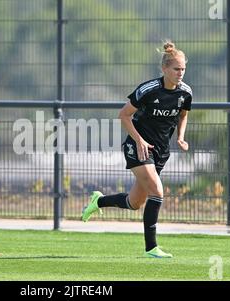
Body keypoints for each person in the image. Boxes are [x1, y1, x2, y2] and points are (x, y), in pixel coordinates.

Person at [81, 41, 192, 258]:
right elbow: (123, 115)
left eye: (183, 69)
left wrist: (180, 137)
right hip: (137, 146)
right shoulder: (148, 90)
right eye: (176, 69)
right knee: (157, 192)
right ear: (164, 69)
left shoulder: (185, 92)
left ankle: (99, 201)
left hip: (160, 150)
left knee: (135, 203)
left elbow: (183, 114)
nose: (180, 73)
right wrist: (139, 140)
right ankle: (151, 248)